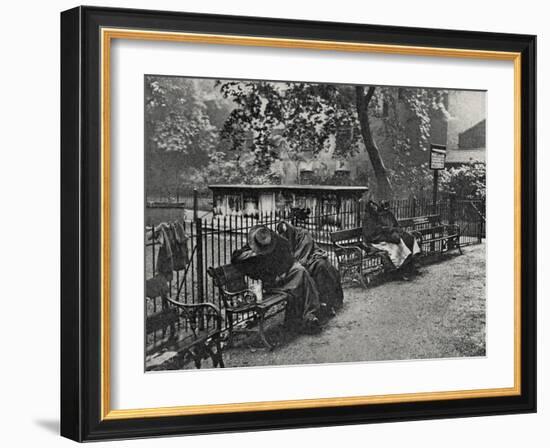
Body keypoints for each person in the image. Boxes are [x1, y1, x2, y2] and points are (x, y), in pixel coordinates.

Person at [231, 225, 321, 333]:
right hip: (271, 283)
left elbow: (289, 259)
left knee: (301, 271)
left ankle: (308, 315)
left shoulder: (279, 241)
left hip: (285, 276)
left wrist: (284, 272)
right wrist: (252, 253)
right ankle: (309, 315)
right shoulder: (252, 246)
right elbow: (236, 258)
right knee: (301, 280)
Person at [276, 220, 343, 315]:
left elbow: (305, 251)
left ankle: (328, 303)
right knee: (303, 274)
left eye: (286, 234)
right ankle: (315, 306)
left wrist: (295, 261)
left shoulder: (303, 234)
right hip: (301, 263)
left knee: (322, 266)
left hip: (311, 257)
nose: (285, 236)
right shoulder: (285, 240)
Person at [362, 200, 421, 278]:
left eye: (375, 206)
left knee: (403, 241)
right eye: (373, 206)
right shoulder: (368, 218)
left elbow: (390, 226)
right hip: (374, 241)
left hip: (381, 238)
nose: (375, 208)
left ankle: (406, 266)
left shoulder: (377, 216)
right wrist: (385, 233)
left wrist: (388, 232)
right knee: (395, 246)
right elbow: (370, 234)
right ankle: (399, 268)